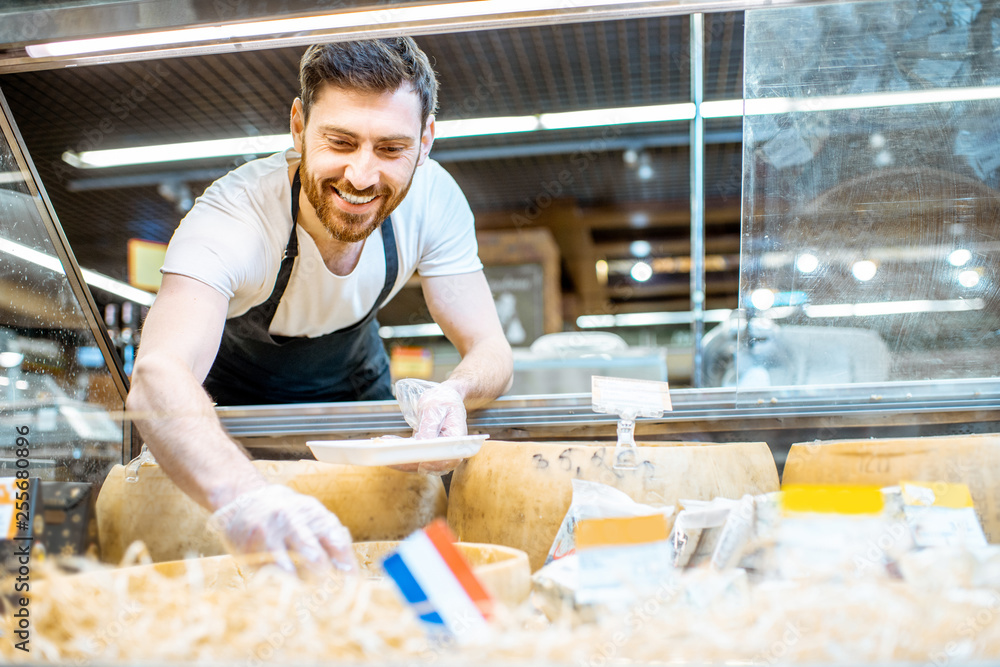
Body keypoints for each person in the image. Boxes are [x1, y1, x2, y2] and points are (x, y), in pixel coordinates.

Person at [126, 38, 513, 573]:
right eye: (341, 141)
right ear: (298, 126)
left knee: (393, 552)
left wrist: (454, 393)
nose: (361, 176)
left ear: (426, 140)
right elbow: (157, 375)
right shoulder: (234, 216)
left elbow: (491, 348)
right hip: (233, 404)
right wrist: (245, 496)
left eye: (391, 148)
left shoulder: (436, 201)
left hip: (355, 384)